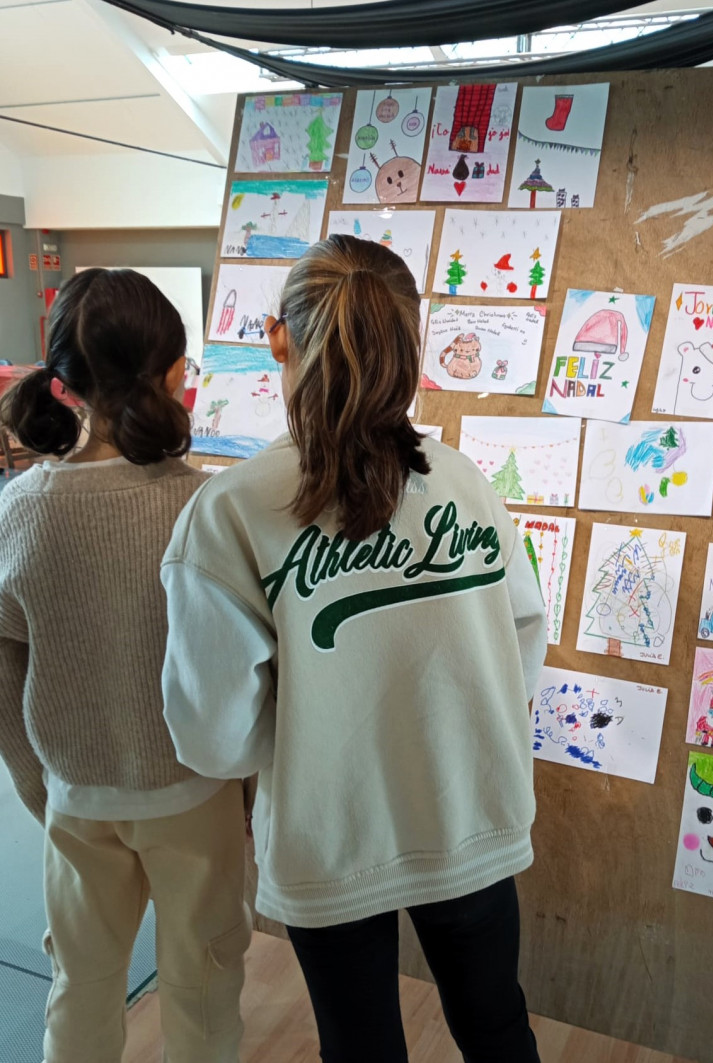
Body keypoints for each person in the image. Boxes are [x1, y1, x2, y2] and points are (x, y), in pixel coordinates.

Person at [161, 235, 548, 1063]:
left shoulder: (229, 512)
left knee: (361, 1049)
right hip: (471, 811)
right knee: (497, 1027)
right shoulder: (466, 480)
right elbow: (524, 636)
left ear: (276, 336)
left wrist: (315, 730)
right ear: (414, 339)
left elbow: (211, 734)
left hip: (328, 835)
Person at [0, 268, 249, 1063]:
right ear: (175, 371)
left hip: (75, 792)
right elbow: (243, 665)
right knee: (202, 986)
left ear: (63, 380)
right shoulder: (207, 507)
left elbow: (5, 668)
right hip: (193, 792)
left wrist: (39, 784)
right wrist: (246, 785)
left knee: (80, 984)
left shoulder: (23, 507)